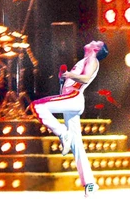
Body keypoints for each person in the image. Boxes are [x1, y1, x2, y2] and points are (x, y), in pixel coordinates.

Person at [30, 39, 109, 197]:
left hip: (74, 98)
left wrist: (69, 75)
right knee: (76, 144)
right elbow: (72, 82)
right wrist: (64, 79)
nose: (92, 40)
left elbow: (85, 78)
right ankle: (90, 183)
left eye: (96, 42)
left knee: (37, 106)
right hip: (71, 99)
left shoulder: (92, 60)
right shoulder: (85, 60)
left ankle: (62, 133)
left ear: (96, 49)